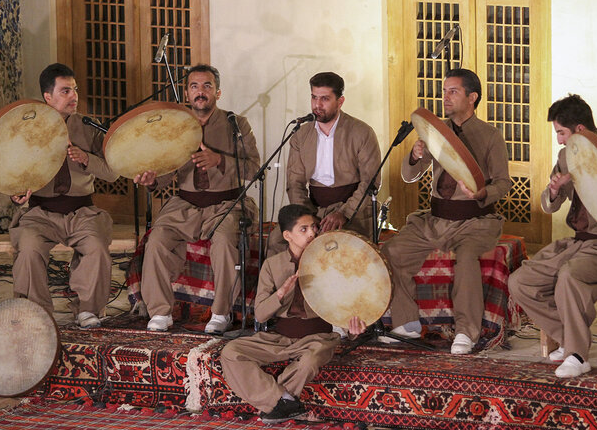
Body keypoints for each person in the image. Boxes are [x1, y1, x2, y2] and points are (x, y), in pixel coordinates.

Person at [508, 94, 597, 378]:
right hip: (577, 243)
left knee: (570, 276)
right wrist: (554, 190)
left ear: (580, 130)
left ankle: (576, 354)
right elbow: (549, 206)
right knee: (520, 281)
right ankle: (572, 339)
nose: (559, 140)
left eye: (561, 132)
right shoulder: (565, 156)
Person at [380, 68, 511, 355]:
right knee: (394, 252)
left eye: (453, 91)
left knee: (466, 258)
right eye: (444, 91)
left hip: (475, 221)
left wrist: (482, 193)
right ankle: (406, 323)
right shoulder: (437, 132)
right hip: (436, 219)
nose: (445, 97)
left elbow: (503, 183)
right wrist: (415, 155)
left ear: (472, 97)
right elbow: (409, 175)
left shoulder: (490, 135)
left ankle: (466, 331)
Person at [135, 64, 260, 334]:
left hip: (225, 204)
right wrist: (152, 180)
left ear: (218, 92)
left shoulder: (236, 124)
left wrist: (220, 161)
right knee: (156, 240)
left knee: (225, 241)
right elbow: (165, 172)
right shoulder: (175, 127)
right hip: (186, 206)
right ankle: (160, 311)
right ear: (186, 93)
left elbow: (254, 168)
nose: (200, 92)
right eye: (194, 87)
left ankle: (221, 312)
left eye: (206, 86)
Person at [220, 204, 366, 424]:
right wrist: (281, 293)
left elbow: (345, 307)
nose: (313, 233)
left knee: (309, 361)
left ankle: (279, 403)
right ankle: (285, 401)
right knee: (231, 352)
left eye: (314, 228)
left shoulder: (330, 263)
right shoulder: (272, 265)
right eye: (304, 229)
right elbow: (260, 315)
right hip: (278, 339)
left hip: (317, 339)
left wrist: (353, 330)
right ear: (287, 235)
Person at [9, 63, 119, 328]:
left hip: (82, 212)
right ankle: (38, 313)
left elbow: (113, 173)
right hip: (40, 214)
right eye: (66, 91)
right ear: (48, 97)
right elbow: (11, 172)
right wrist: (16, 194)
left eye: (75, 90)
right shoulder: (28, 128)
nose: (74, 97)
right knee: (29, 250)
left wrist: (86, 159)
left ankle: (87, 310)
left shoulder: (89, 127)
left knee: (96, 247)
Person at [267, 71, 381, 256]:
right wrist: (308, 217)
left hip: (353, 211)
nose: (317, 105)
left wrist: (344, 213)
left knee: (343, 251)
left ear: (340, 101)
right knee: (276, 241)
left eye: (325, 99)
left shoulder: (362, 132)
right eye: (314, 97)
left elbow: (370, 183)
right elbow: (294, 183)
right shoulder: (300, 135)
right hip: (313, 211)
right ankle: (286, 286)